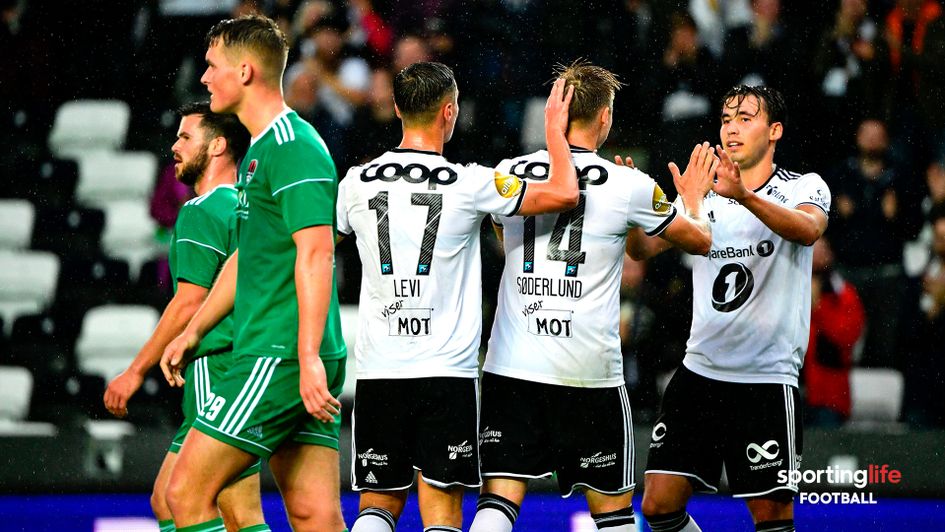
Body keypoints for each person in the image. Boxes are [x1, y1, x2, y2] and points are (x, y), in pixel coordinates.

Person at [469, 62, 715, 532]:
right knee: (613, 513)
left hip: (512, 364)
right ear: (604, 118)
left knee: (498, 504)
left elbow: (503, 239)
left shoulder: (509, 172)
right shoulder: (629, 185)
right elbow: (700, 240)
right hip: (589, 373)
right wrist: (692, 202)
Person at [337, 62, 579, 532]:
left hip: (379, 371)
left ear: (395, 109)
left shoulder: (356, 182)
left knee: (376, 507)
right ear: (449, 112)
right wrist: (554, 130)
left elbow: (313, 250)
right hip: (446, 376)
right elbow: (566, 193)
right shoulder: (471, 182)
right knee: (442, 516)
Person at [161, 15, 347, 532]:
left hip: (281, 354)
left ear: (244, 72)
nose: (203, 78)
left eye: (211, 66)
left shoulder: (292, 147)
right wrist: (194, 329)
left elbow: (317, 253)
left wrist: (306, 356)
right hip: (294, 353)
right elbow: (249, 255)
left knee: (185, 494)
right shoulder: (263, 150)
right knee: (314, 516)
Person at [633, 85, 830, 532]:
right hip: (699, 372)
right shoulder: (703, 195)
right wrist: (634, 208)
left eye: (745, 117)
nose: (731, 128)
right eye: (725, 119)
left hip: (764, 378)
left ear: (774, 130)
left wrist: (744, 196)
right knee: (658, 505)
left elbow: (807, 231)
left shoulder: (803, 185)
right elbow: (642, 251)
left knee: (771, 517)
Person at [103, 102, 266, 532]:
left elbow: (189, 301)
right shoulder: (250, 209)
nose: (174, 147)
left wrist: (135, 372)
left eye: (185, 137)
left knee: (192, 500)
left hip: (218, 365)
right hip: (246, 362)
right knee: (183, 501)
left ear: (217, 146)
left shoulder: (201, 210)